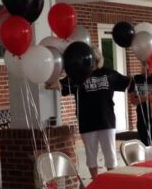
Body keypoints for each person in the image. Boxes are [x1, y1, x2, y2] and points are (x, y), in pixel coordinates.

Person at [49, 47, 129, 178]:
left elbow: (128, 83)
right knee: (91, 155)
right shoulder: (78, 75)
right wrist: (54, 74)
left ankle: (111, 182)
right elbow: (58, 85)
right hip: (86, 121)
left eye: (93, 59)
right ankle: (95, 182)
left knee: (110, 154)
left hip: (106, 120)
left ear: (97, 59)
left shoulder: (108, 73)